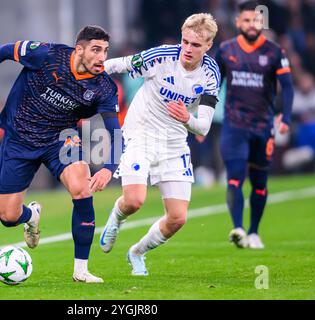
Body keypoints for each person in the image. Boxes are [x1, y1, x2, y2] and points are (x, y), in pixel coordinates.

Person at [0, 26, 122, 283]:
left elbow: (115, 130)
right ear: (79, 49)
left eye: (105, 51)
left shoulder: (103, 86)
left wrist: (108, 168)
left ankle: (81, 270)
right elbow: (5, 51)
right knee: (8, 217)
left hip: (61, 138)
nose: (102, 57)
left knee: (82, 189)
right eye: (95, 50)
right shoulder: (46, 55)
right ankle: (31, 216)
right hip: (19, 138)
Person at [99, 13, 220, 276]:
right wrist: (89, 69)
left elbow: (203, 127)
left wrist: (187, 117)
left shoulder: (210, 75)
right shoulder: (161, 57)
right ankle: (116, 219)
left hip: (174, 143)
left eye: (196, 45)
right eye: (185, 41)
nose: (188, 49)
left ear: (208, 45)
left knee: (177, 218)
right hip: (141, 132)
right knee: (134, 200)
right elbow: (119, 65)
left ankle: (137, 253)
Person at [215, 1, 294, 249]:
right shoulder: (226, 50)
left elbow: (289, 86)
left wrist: (286, 117)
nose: (251, 25)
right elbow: (213, 84)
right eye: (246, 20)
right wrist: (202, 119)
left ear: (262, 22)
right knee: (235, 178)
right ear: (238, 22)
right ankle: (238, 228)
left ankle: (254, 231)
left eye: (256, 20)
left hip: (263, 126)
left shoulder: (274, 52)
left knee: (260, 182)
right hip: (234, 126)